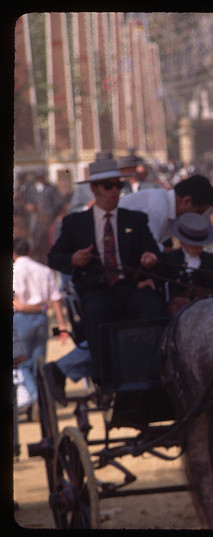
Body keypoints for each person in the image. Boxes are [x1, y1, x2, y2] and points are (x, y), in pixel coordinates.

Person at [45, 157, 168, 403]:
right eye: (108, 186)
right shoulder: (75, 224)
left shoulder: (135, 220)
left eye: (118, 186)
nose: (115, 191)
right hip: (96, 290)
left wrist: (150, 261)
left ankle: (153, 372)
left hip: (131, 288)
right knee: (98, 312)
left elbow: (156, 257)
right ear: (94, 188)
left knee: (154, 307)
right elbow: (54, 258)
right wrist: (74, 259)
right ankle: (107, 378)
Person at [13, 238, 68, 403]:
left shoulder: (13, 270)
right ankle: (42, 399)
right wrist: (62, 324)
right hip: (41, 319)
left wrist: (25, 307)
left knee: (23, 364)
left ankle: (36, 397)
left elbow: (15, 303)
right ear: (29, 251)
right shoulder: (44, 270)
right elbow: (55, 299)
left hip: (21, 320)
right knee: (40, 363)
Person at [118, 174, 213, 251]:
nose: (197, 217)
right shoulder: (159, 208)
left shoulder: (167, 207)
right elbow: (149, 250)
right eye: (198, 212)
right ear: (186, 201)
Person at [155, 212, 213, 316]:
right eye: (194, 245)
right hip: (177, 313)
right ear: (183, 242)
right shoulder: (170, 259)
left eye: (201, 245)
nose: (199, 248)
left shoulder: (209, 260)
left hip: (206, 310)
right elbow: (162, 288)